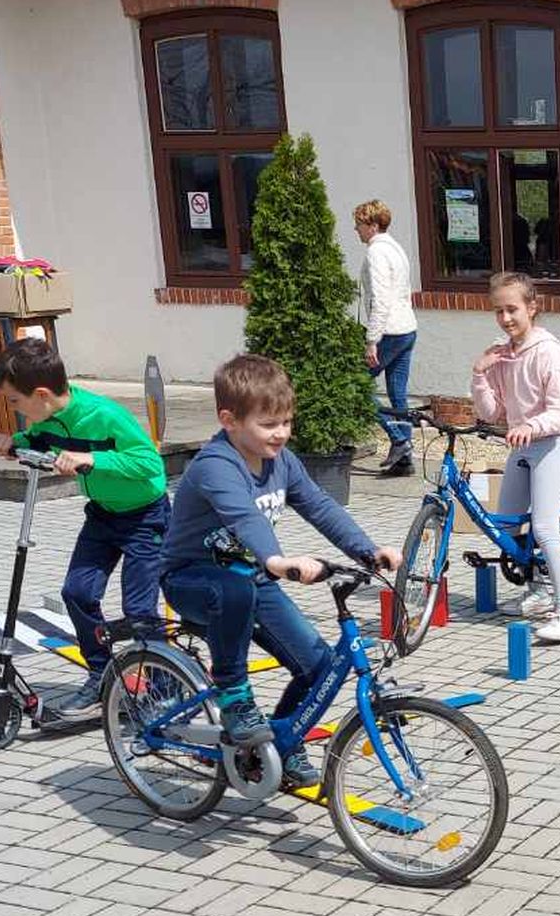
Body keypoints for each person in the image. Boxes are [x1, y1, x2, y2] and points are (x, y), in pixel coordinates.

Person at [160, 355, 400, 790]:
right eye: (269, 424)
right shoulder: (216, 464)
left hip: (249, 579)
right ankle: (233, 696)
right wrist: (276, 560)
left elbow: (320, 506)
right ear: (229, 420)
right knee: (233, 591)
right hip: (192, 579)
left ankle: (280, 747)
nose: (282, 433)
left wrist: (367, 551)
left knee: (320, 666)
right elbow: (243, 517)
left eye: (287, 421)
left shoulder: (281, 461)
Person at [0, 337, 170, 715]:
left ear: (41, 394)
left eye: (14, 402)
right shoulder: (47, 419)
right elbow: (35, 439)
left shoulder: (105, 415)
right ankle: (102, 674)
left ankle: (165, 688)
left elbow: (151, 466)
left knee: (139, 609)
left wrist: (91, 459)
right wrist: (9, 443)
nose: (14, 409)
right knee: (77, 593)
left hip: (145, 515)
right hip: (102, 514)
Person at [469, 271, 560, 645]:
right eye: (498, 311)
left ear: (532, 308)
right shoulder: (501, 353)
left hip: (554, 443)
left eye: (513, 309)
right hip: (521, 445)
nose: (506, 319)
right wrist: (480, 373)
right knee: (509, 528)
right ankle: (539, 589)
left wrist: (531, 426)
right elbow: (490, 413)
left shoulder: (550, 352)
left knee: (545, 527)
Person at [354, 200, 420, 478]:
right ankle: (404, 460)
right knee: (397, 392)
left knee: (355, 384)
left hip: (389, 332)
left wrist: (372, 339)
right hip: (407, 328)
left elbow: (380, 299)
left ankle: (399, 440)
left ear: (372, 225)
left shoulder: (377, 252)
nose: (356, 230)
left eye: (358, 225)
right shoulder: (396, 249)